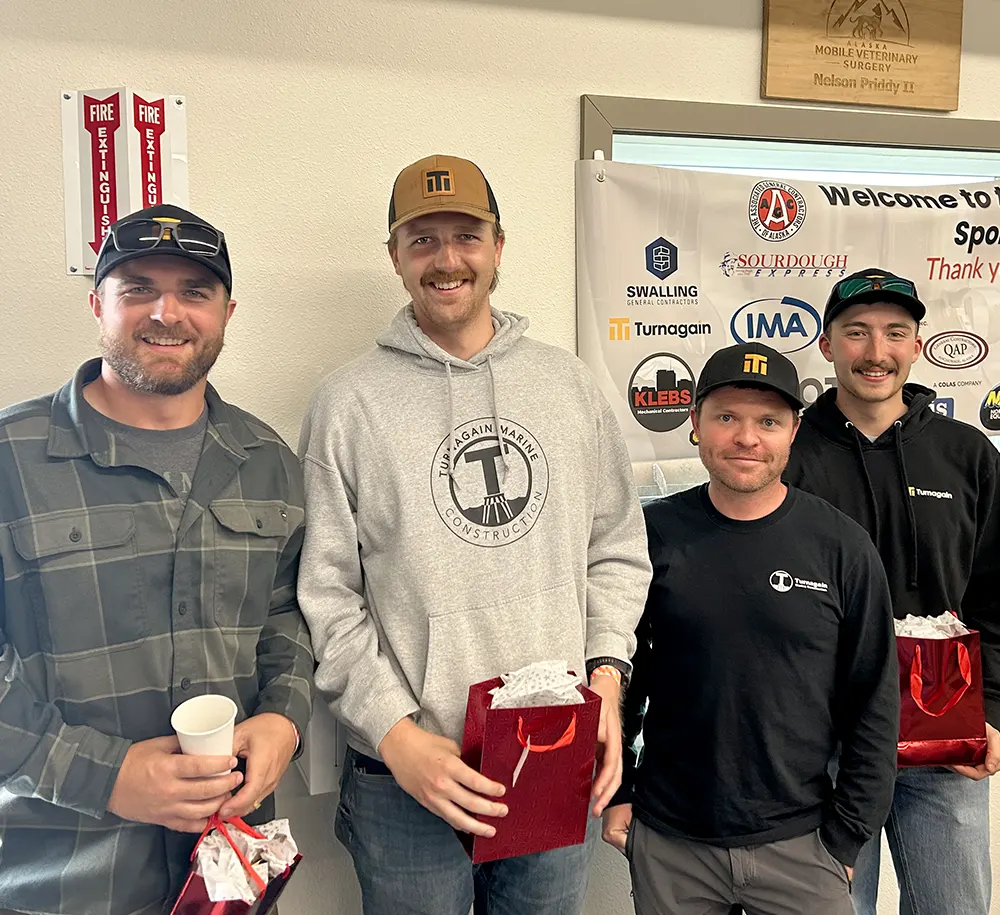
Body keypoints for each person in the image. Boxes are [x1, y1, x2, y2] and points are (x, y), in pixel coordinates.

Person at [297, 154, 651, 915]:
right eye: (422, 240)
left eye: (467, 235)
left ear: (498, 246)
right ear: (394, 257)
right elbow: (328, 593)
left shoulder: (569, 387)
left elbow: (616, 548)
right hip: (408, 779)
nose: (447, 259)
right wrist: (396, 734)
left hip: (553, 753)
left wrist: (607, 682)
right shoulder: (347, 404)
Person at [0, 205, 314, 915]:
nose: (166, 312)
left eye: (194, 291)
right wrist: (104, 774)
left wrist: (283, 720)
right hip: (63, 881)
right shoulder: (10, 459)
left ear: (227, 311)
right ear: (96, 303)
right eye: (137, 287)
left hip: (232, 873)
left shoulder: (269, 462)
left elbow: (286, 612)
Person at [603, 342, 899, 915]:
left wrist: (848, 835)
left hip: (803, 843)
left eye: (768, 421)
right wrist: (619, 791)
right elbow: (617, 676)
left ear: (794, 432)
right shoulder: (648, 536)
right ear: (695, 424)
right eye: (726, 417)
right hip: (672, 844)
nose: (747, 438)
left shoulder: (840, 546)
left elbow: (874, 700)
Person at [783, 267, 1000, 915]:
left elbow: (995, 591)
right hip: (819, 741)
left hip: (944, 732)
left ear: (917, 343)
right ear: (826, 344)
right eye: (856, 332)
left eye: (893, 333)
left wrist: (993, 707)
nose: (875, 352)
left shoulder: (967, 453)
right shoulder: (787, 453)